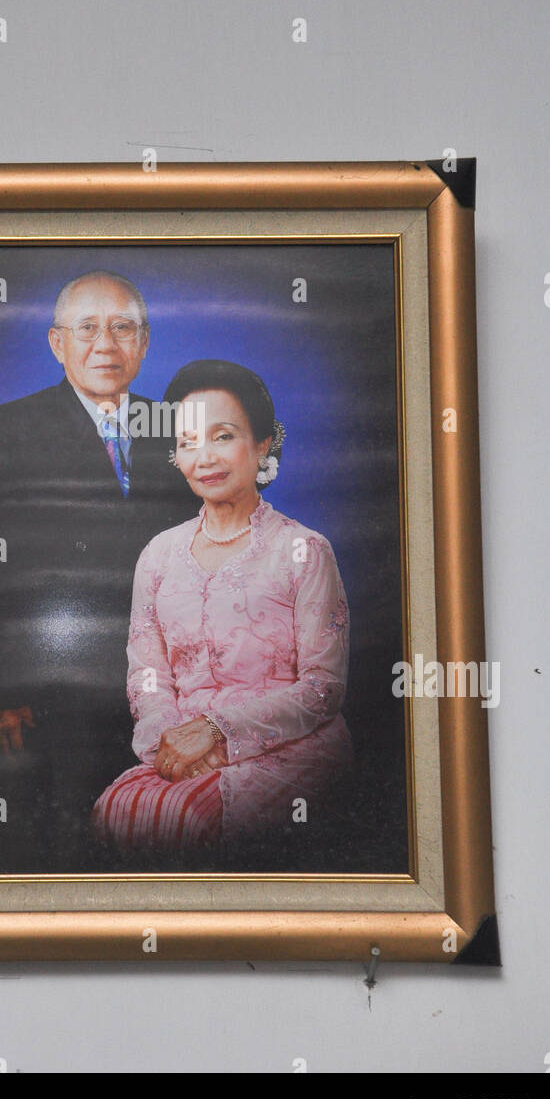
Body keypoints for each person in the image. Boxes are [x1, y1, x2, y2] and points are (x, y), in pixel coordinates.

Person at [0, 270, 194, 868]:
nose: (105, 345)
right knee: (70, 852)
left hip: (171, 691)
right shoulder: (10, 428)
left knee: (165, 848)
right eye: (87, 328)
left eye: (123, 328)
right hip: (56, 695)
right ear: (56, 342)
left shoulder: (175, 426)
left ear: (144, 343)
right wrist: (1, 693)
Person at [92, 359, 353, 860]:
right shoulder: (159, 554)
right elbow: (147, 676)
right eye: (187, 442)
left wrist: (215, 733)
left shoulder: (303, 550)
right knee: (114, 809)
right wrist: (169, 742)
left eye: (223, 436)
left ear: (262, 445)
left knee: (185, 820)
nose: (204, 457)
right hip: (180, 750)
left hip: (286, 749)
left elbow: (323, 691)